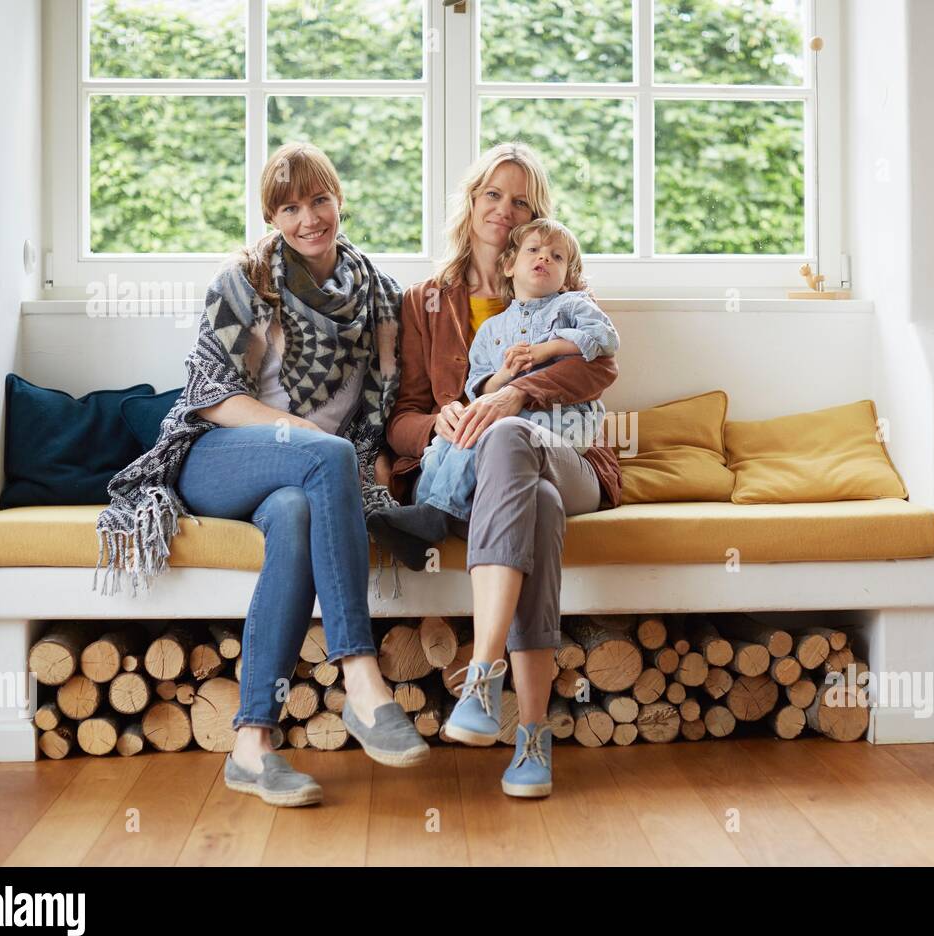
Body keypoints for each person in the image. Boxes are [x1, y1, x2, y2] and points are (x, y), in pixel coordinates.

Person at [95, 142, 430, 807]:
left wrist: (384, 464)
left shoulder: (377, 295)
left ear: (339, 200)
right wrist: (302, 434)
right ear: (272, 215)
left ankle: (251, 746)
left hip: (306, 483)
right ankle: (361, 679)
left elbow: (381, 405)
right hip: (220, 459)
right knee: (327, 453)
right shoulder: (244, 279)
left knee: (301, 511)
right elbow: (212, 396)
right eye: (289, 206)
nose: (308, 218)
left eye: (319, 200)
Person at [385, 143, 622, 797]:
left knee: (514, 434)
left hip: (570, 459)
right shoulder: (425, 301)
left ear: (534, 218)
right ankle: (532, 737)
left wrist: (516, 394)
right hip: (493, 473)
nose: (504, 208)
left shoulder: (563, 290)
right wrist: (443, 422)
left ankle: (483, 671)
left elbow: (600, 367)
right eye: (493, 193)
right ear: (472, 200)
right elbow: (402, 415)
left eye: (520, 199)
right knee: (531, 496)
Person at [369, 217, 617, 570]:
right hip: (503, 427)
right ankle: (420, 520)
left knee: (494, 433)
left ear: (569, 275)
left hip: (560, 427)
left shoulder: (573, 306)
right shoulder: (490, 329)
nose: (544, 258)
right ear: (510, 264)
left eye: (556, 257)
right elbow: (479, 386)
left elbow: (606, 343)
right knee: (451, 440)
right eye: (534, 250)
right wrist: (501, 378)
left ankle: (435, 515)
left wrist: (544, 352)